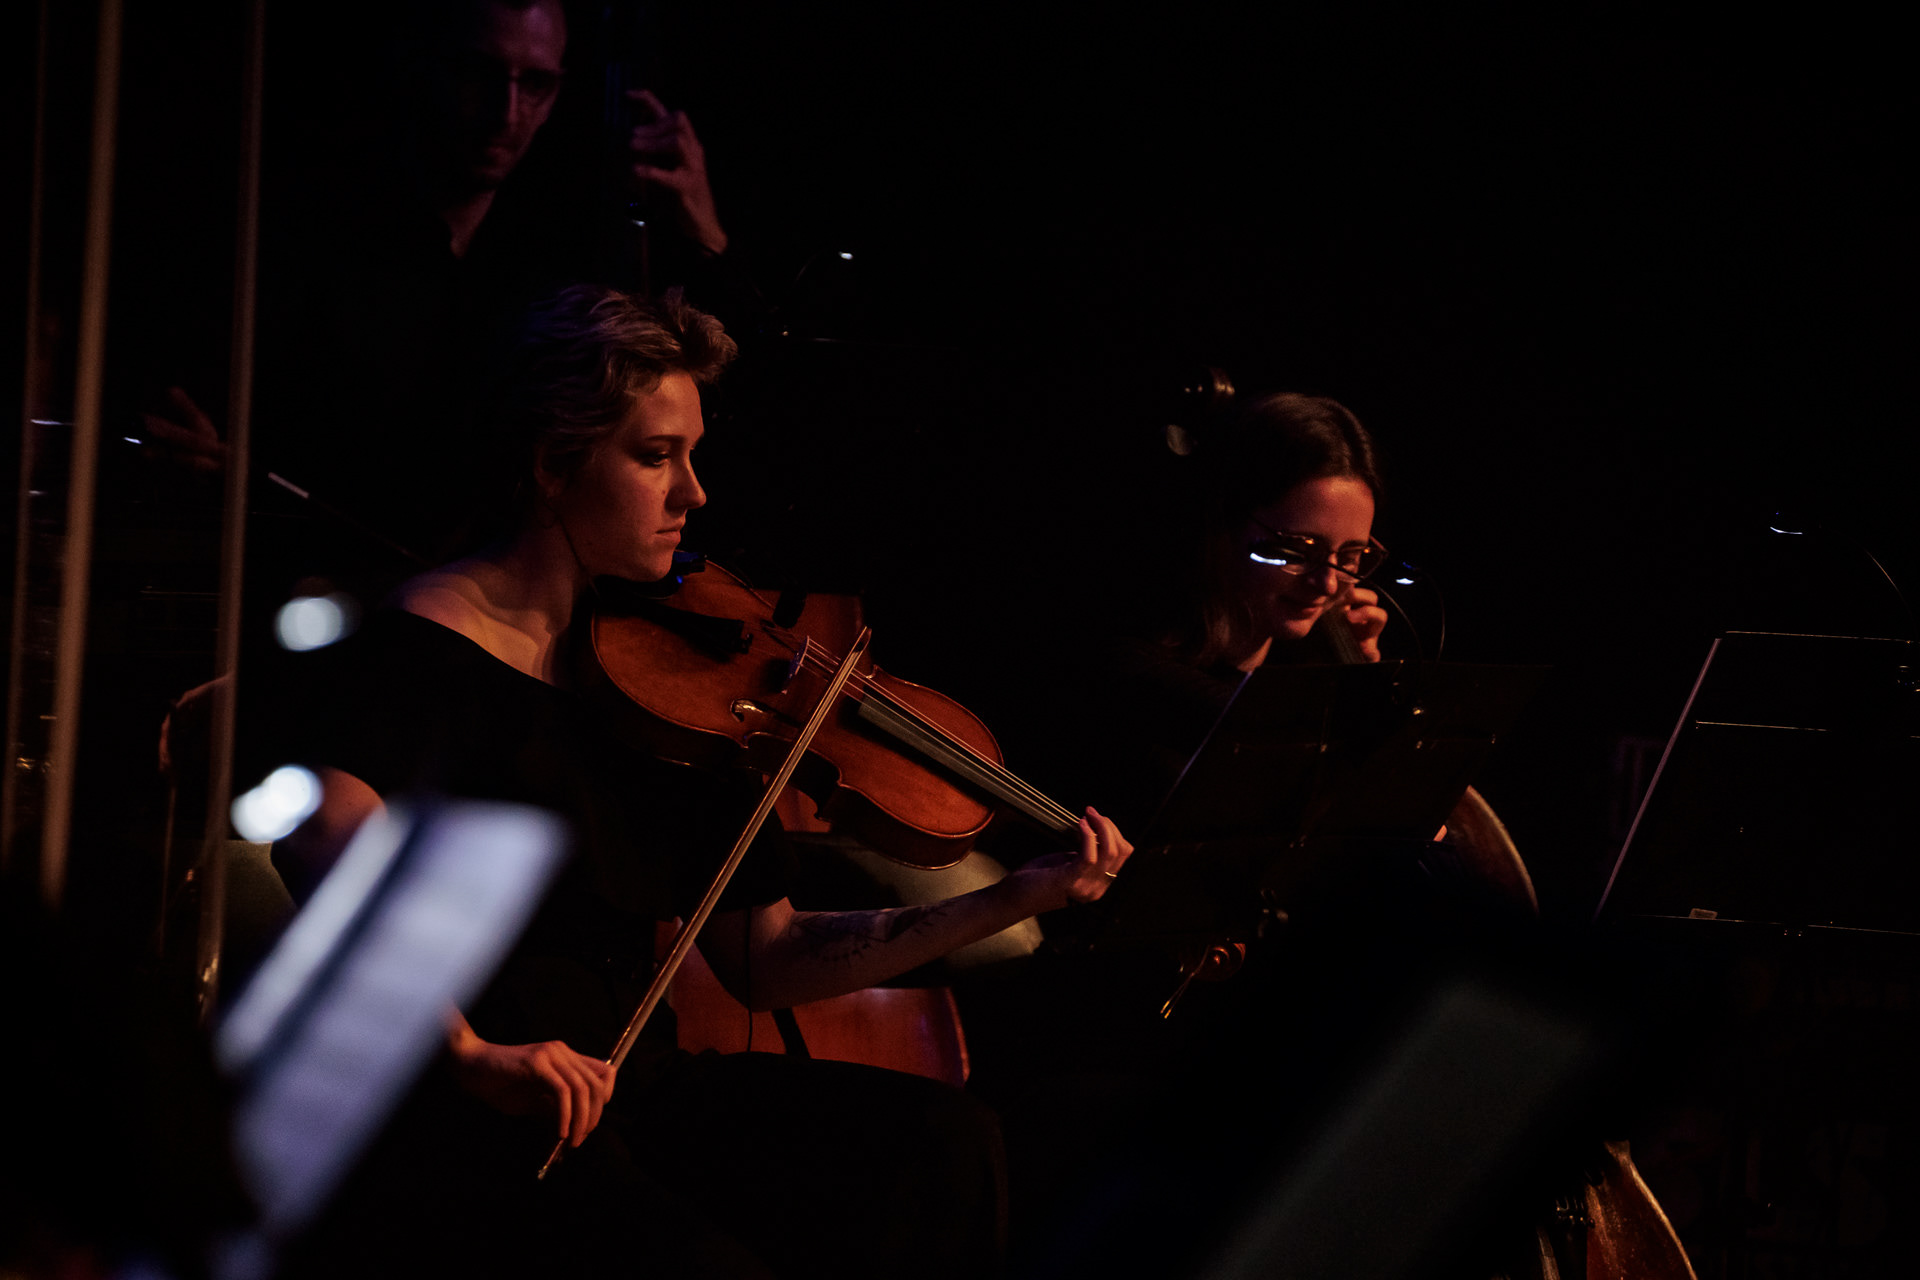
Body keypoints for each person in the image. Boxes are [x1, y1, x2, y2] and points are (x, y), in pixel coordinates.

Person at [239, 283, 1132, 1278]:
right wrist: (470, 1051)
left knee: (942, 1144)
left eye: (692, 455)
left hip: (634, 1086)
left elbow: (769, 956)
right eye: (656, 456)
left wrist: (1015, 895)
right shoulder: (430, 640)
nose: (694, 493)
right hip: (478, 1105)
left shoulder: (665, 679)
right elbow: (323, 833)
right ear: (552, 464)